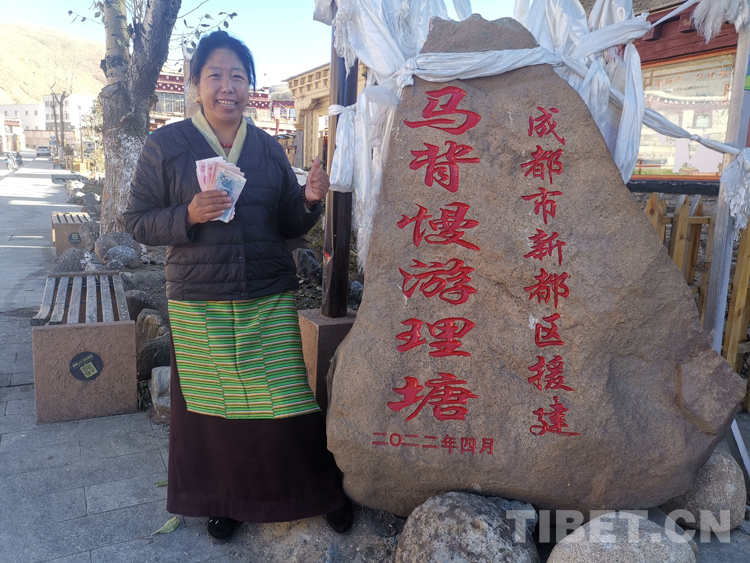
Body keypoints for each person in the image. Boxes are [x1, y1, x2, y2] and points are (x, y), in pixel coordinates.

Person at [124, 30, 352, 543]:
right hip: (199, 298)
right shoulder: (166, 146)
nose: (227, 87)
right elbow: (136, 221)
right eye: (215, 76)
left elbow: (287, 221)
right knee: (213, 409)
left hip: (266, 292)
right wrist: (186, 214)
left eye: (238, 76)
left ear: (249, 85)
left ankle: (315, 492)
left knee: (286, 400)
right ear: (195, 84)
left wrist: (309, 198)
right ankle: (222, 500)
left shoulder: (267, 148)